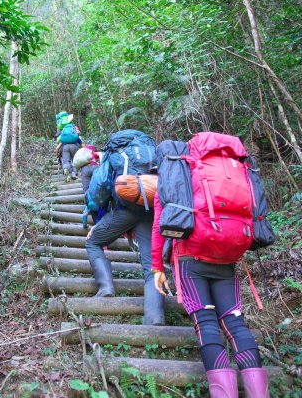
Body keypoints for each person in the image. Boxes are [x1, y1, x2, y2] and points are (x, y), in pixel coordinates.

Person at [152, 191, 270, 397]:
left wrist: (156, 266)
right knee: (236, 323)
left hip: (189, 255)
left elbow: (158, 224)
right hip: (225, 252)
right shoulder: (228, 161)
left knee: (206, 323)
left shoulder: (172, 170)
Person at [85, 130, 165, 326]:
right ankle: (155, 318)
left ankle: (105, 288)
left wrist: (93, 209)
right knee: (151, 267)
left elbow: (99, 189)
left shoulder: (114, 153)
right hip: (151, 212)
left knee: (93, 241)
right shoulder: (153, 152)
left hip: (125, 210)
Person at [55, 112, 82, 182]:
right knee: (75, 161)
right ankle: (74, 173)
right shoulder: (74, 128)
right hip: (75, 146)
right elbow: (80, 141)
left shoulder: (63, 131)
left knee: (66, 161)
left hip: (65, 147)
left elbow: (57, 147)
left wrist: (57, 154)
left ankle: (66, 169)